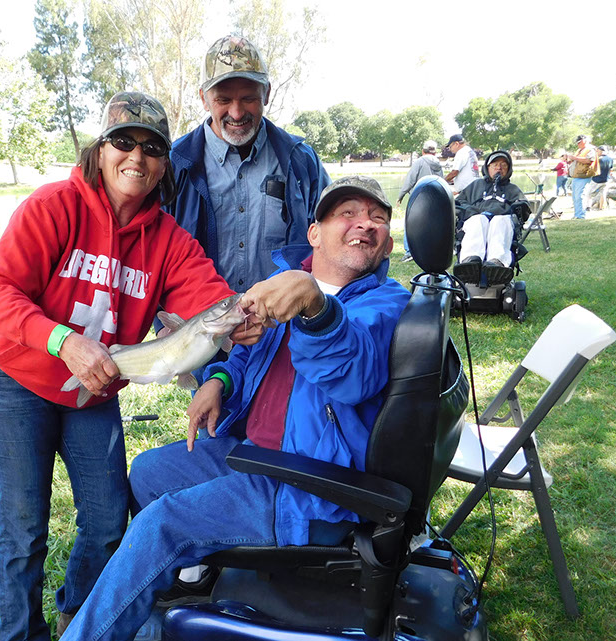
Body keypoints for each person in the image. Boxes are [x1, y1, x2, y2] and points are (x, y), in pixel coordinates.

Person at [58, 176, 412, 641]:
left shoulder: (386, 304)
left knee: (161, 525)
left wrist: (316, 306)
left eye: (378, 218)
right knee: (147, 473)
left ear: (386, 246)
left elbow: (353, 374)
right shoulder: (278, 286)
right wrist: (220, 381)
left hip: (305, 485)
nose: (364, 224)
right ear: (314, 233)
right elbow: (246, 351)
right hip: (253, 451)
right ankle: (193, 577)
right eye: (347, 213)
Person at [0, 91, 263, 641]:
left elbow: (212, 298)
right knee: (24, 526)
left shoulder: (170, 241)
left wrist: (245, 314)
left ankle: (76, 621)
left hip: (95, 394)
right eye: (123, 142)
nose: (137, 156)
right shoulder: (52, 206)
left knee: (107, 521)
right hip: (16, 382)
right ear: (100, 151)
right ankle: (20, 634)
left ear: (165, 165)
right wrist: (63, 341)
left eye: (153, 147)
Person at [165, 35, 330, 294]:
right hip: (199, 326)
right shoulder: (174, 164)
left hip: (283, 327)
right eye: (223, 100)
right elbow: (151, 256)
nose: (237, 112)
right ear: (203, 99)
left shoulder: (301, 163)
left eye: (248, 98)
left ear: (266, 93)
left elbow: (329, 244)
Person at [453, 150, 530, 286]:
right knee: (478, 220)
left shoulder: (513, 189)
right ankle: (470, 261)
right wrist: (474, 211)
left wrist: (511, 209)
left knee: (500, 221)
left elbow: (523, 207)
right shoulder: (475, 185)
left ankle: (497, 262)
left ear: (509, 169)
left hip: (502, 220)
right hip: (476, 218)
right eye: (494, 164)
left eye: (503, 165)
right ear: (487, 168)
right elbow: (459, 202)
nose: (499, 168)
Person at [396, 139, 444, 261]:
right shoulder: (438, 164)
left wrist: (401, 196)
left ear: (423, 151)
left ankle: (409, 252)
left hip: (420, 198)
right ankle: (431, 250)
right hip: (435, 199)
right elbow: (441, 180)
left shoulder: (420, 161)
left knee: (410, 223)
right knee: (431, 225)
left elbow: (410, 180)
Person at [567, 134, 597, 219]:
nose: (578, 144)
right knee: (575, 197)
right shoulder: (579, 150)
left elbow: (589, 160)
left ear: (585, 141)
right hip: (576, 176)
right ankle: (577, 214)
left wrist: (575, 158)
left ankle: (581, 215)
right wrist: (570, 159)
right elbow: (576, 160)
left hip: (584, 176)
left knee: (580, 196)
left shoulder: (590, 150)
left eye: (579, 142)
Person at [589, 145, 613, 211]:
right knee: (603, 194)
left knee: (589, 193)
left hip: (597, 179)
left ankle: (587, 207)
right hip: (606, 179)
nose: (597, 152)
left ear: (601, 151)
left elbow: (593, 169)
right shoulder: (610, 159)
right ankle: (601, 207)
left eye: (598, 151)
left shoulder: (598, 159)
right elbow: (611, 169)